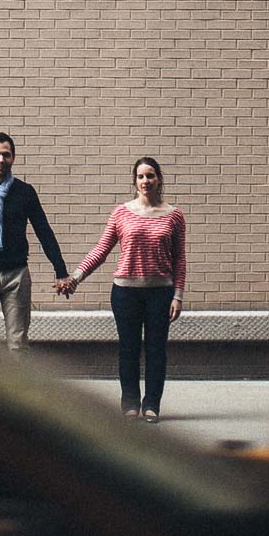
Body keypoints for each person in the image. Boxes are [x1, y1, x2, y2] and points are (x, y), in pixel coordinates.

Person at [61, 156, 185, 421]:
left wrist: (178, 295)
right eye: (140, 176)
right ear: (135, 181)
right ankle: (130, 404)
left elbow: (179, 259)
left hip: (160, 293)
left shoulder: (174, 215)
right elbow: (101, 250)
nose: (145, 181)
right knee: (128, 349)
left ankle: (152, 405)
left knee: (156, 351)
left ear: (159, 179)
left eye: (150, 175)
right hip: (126, 293)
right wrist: (76, 277)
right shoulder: (121, 213)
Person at [0, 132, 72, 352]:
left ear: (13, 158)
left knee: (18, 344)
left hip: (16, 276)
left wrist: (61, 270)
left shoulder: (24, 192)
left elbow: (44, 232)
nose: (1, 159)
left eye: (6, 155)